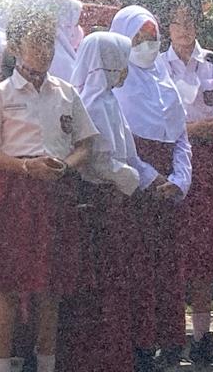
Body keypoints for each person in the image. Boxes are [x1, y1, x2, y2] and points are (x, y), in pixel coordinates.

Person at [0, 6, 97, 372]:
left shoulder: (66, 92)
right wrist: (26, 167)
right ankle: (0, 366)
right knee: (7, 286)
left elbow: (86, 144)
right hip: (14, 193)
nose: (44, 50)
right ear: (14, 46)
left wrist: (66, 166)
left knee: (50, 287)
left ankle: (47, 364)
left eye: (49, 42)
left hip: (55, 193)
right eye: (35, 42)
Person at [59, 31, 158, 372]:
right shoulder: (94, 104)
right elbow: (99, 160)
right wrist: (130, 179)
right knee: (104, 279)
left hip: (117, 200)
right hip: (102, 203)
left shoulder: (108, 101)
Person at [160, 0, 213, 365]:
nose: (184, 28)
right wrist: (191, 128)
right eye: (177, 21)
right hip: (170, 162)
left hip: (207, 164)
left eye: (190, 20)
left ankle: (203, 335)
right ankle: (169, 334)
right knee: (171, 246)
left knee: (205, 249)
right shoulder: (156, 65)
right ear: (167, 25)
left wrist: (186, 128)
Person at [109, 5, 192, 371]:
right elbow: (121, 144)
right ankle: (140, 343)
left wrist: (179, 180)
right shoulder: (117, 86)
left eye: (151, 38)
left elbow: (181, 139)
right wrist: (150, 178)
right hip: (136, 192)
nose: (146, 46)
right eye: (138, 39)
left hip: (170, 194)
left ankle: (171, 340)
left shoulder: (165, 82)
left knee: (168, 266)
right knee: (137, 266)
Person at [36, 0, 84, 80]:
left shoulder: (34, 48)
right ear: (63, 23)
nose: (78, 29)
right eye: (75, 24)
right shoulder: (60, 60)